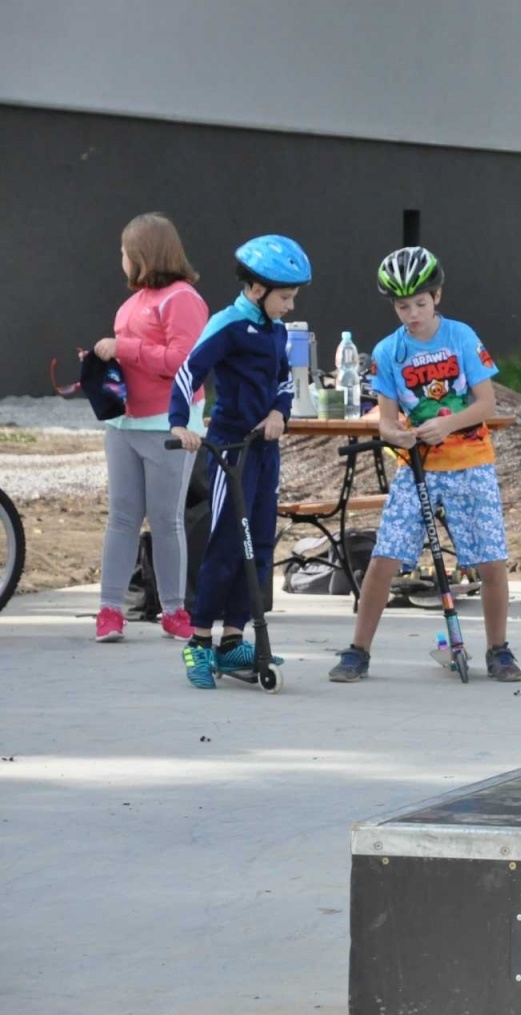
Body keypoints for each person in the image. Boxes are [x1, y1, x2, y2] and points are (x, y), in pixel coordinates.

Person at [327, 246, 521, 683]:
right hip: (416, 468)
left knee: (490, 561)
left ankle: (499, 649)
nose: (412, 314)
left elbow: (487, 404)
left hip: (471, 463)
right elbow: (387, 418)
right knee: (384, 558)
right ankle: (358, 650)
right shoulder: (387, 351)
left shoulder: (461, 337)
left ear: (437, 296)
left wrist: (447, 425)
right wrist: (396, 434)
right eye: (401, 306)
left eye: (420, 303)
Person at [169, 236, 310, 688]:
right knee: (227, 543)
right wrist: (180, 423)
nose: (289, 306)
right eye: (285, 297)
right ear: (255, 289)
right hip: (231, 449)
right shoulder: (228, 325)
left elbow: (285, 382)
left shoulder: (276, 331)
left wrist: (278, 412)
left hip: (264, 449)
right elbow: (189, 372)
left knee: (260, 546)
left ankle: (233, 640)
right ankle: (199, 641)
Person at [92, 213, 209, 643]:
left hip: (166, 426)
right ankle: (109, 609)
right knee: (122, 517)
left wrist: (125, 347)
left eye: (124, 252)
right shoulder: (136, 301)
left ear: (142, 254)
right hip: (124, 423)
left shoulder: (182, 299)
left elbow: (186, 362)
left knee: (166, 519)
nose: (120, 259)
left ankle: (175, 609)